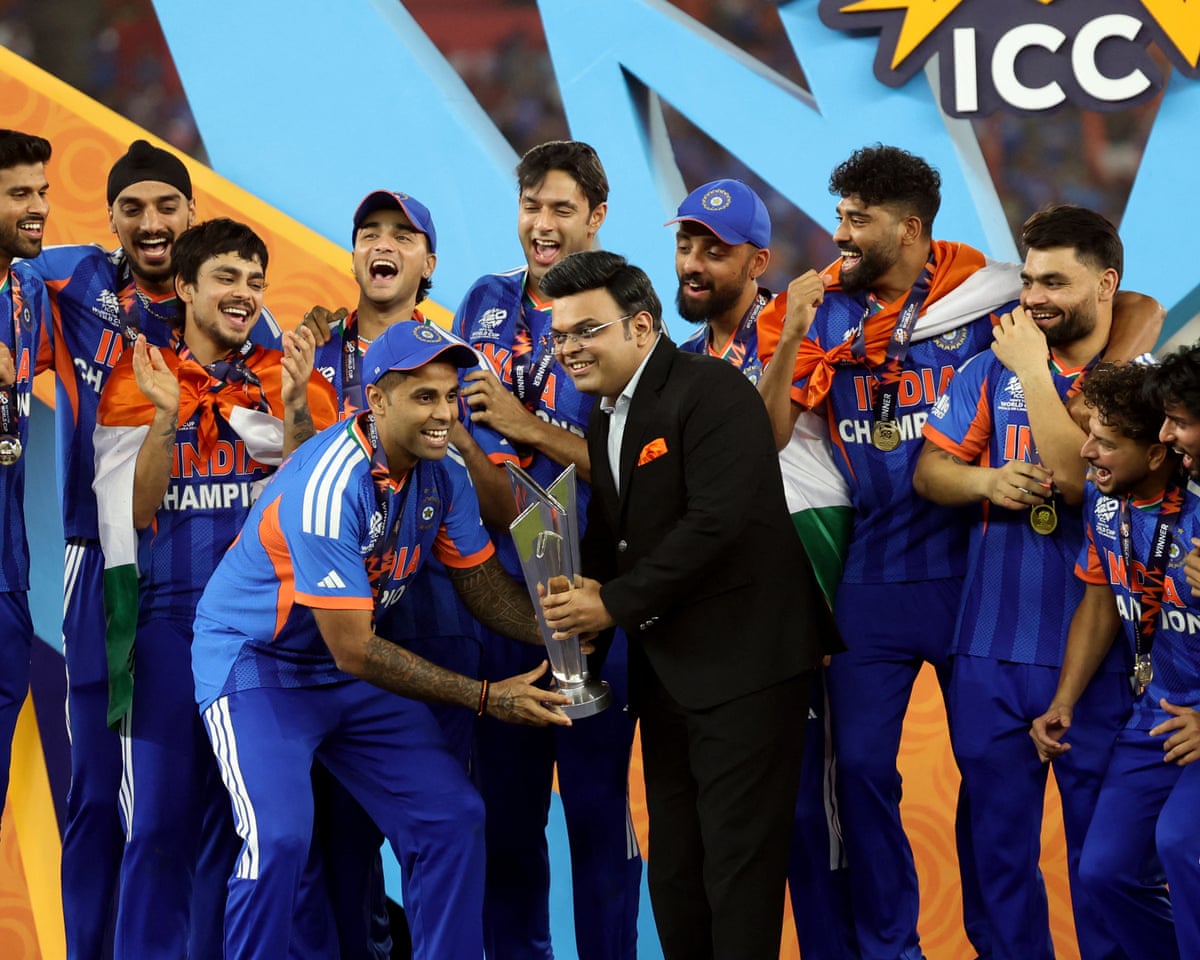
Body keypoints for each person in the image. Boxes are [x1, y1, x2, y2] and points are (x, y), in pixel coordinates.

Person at [756, 144, 1161, 960]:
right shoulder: (821, 309)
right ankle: (892, 947)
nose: (838, 233)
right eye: (838, 215)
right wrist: (793, 328)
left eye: (855, 218)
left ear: (909, 231)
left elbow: (1133, 308)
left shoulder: (982, 298)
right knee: (864, 772)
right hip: (876, 569)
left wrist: (1106, 381)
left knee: (1016, 808)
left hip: (980, 581)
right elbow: (779, 438)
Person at [190, 319, 573, 960]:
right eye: (424, 397)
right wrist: (486, 697)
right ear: (377, 400)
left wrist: (565, 630)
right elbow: (356, 648)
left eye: (450, 396)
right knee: (279, 839)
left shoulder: (442, 472)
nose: (444, 414)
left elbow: (480, 584)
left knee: (453, 818)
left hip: (343, 675)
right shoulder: (327, 485)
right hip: (257, 667)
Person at [538, 250, 837, 960]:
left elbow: (717, 522)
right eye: (559, 336)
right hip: (667, 673)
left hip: (748, 670)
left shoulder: (713, 392)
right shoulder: (605, 414)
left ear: (642, 326)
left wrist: (609, 602)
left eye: (587, 331)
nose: (570, 349)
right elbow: (618, 532)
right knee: (675, 871)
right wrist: (581, 609)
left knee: (738, 871)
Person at [24, 139, 282, 960]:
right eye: (132, 207)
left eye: (166, 204)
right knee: (102, 794)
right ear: (110, 221)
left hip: (192, 569)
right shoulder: (73, 281)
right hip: (96, 560)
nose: (150, 221)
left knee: (194, 798)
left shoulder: (229, 306)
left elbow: (278, 435)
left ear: (190, 215)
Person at [91, 218, 337, 960]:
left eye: (256, 281)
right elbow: (135, 510)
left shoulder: (288, 376)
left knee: (253, 831)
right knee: (159, 826)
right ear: (188, 287)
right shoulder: (139, 374)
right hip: (164, 627)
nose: (244, 294)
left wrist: (295, 406)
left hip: (261, 640)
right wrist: (168, 415)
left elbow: (309, 503)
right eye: (227, 278)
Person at [913, 205, 1136, 960]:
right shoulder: (984, 370)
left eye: (1054, 281)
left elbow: (1075, 480)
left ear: (1105, 283)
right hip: (988, 653)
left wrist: (1036, 372)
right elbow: (930, 472)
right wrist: (983, 481)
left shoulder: (1136, 391)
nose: (1033, 297)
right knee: (997, 859)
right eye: (1028, 278)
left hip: (1100, 662)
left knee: (1102, 865)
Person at [452, 140, 642, 960]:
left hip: (596, 602)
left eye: (562, 208)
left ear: (596, 217)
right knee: (505, 823)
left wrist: (523, 427)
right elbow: (465, 441)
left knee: (599, 820)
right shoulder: (483, 302)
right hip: (497, 599)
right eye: (532, 205)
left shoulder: (623, 310)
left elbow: (638, 463)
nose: (542, 223)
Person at [668, 177, 858, 960]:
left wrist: (782, 345)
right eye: (686, 245)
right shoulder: (677, 361)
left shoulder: (800, 321)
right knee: (751, 826)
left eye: (716, 250)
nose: (694, 262)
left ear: (759, 260)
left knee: (818, 818)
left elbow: (768, 438)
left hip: (812, 583)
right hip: (733, 610)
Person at [306, 190, 482, 956]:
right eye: (368, 233)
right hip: (339, 625)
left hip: (438, 614)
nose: (383, 244)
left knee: (441, 825)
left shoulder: (462, 363)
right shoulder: (309, 349)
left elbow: (481, 495)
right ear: (354, 255)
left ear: (429, 262)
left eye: (403, 235)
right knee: (339, 843)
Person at [1031, 358, 1199, 960]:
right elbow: (1100, 605)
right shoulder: (1107, 508)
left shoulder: (1198, 510)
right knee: (1104, 872)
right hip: (1155, 715)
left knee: (1182, 844)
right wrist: (1065, 701)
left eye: (1104, 442)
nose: (1085, 453)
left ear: (1157, 452)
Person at [0, 129, 50, 820]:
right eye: (19, 194)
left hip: (9, 581)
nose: (38, 207)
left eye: (43, 192)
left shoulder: (27, 291)